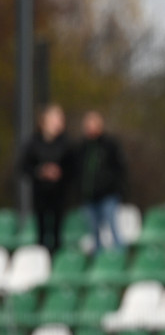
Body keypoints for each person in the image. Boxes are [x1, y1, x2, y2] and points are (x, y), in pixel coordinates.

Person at [18, 104, 74, 253]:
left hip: (59, 195)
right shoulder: (33, 143)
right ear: (44, 120)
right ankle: (41, 263)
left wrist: (59, 172)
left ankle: (55, 265)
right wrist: (40, 171)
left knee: (57, 234)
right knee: (41, 232)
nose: (58, 122)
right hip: (40, 194)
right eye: (54, 118)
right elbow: (23, 167)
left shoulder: (66, 143)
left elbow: (73, 168)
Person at [74, 110, 127, 251]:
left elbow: (120, 169)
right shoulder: (82, 148)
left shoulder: (110, 145)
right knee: (94, 232)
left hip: (108, 195)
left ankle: (120, 257)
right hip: (89, 197)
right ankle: (98, 261)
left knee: (113, 228)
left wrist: (116, 188)